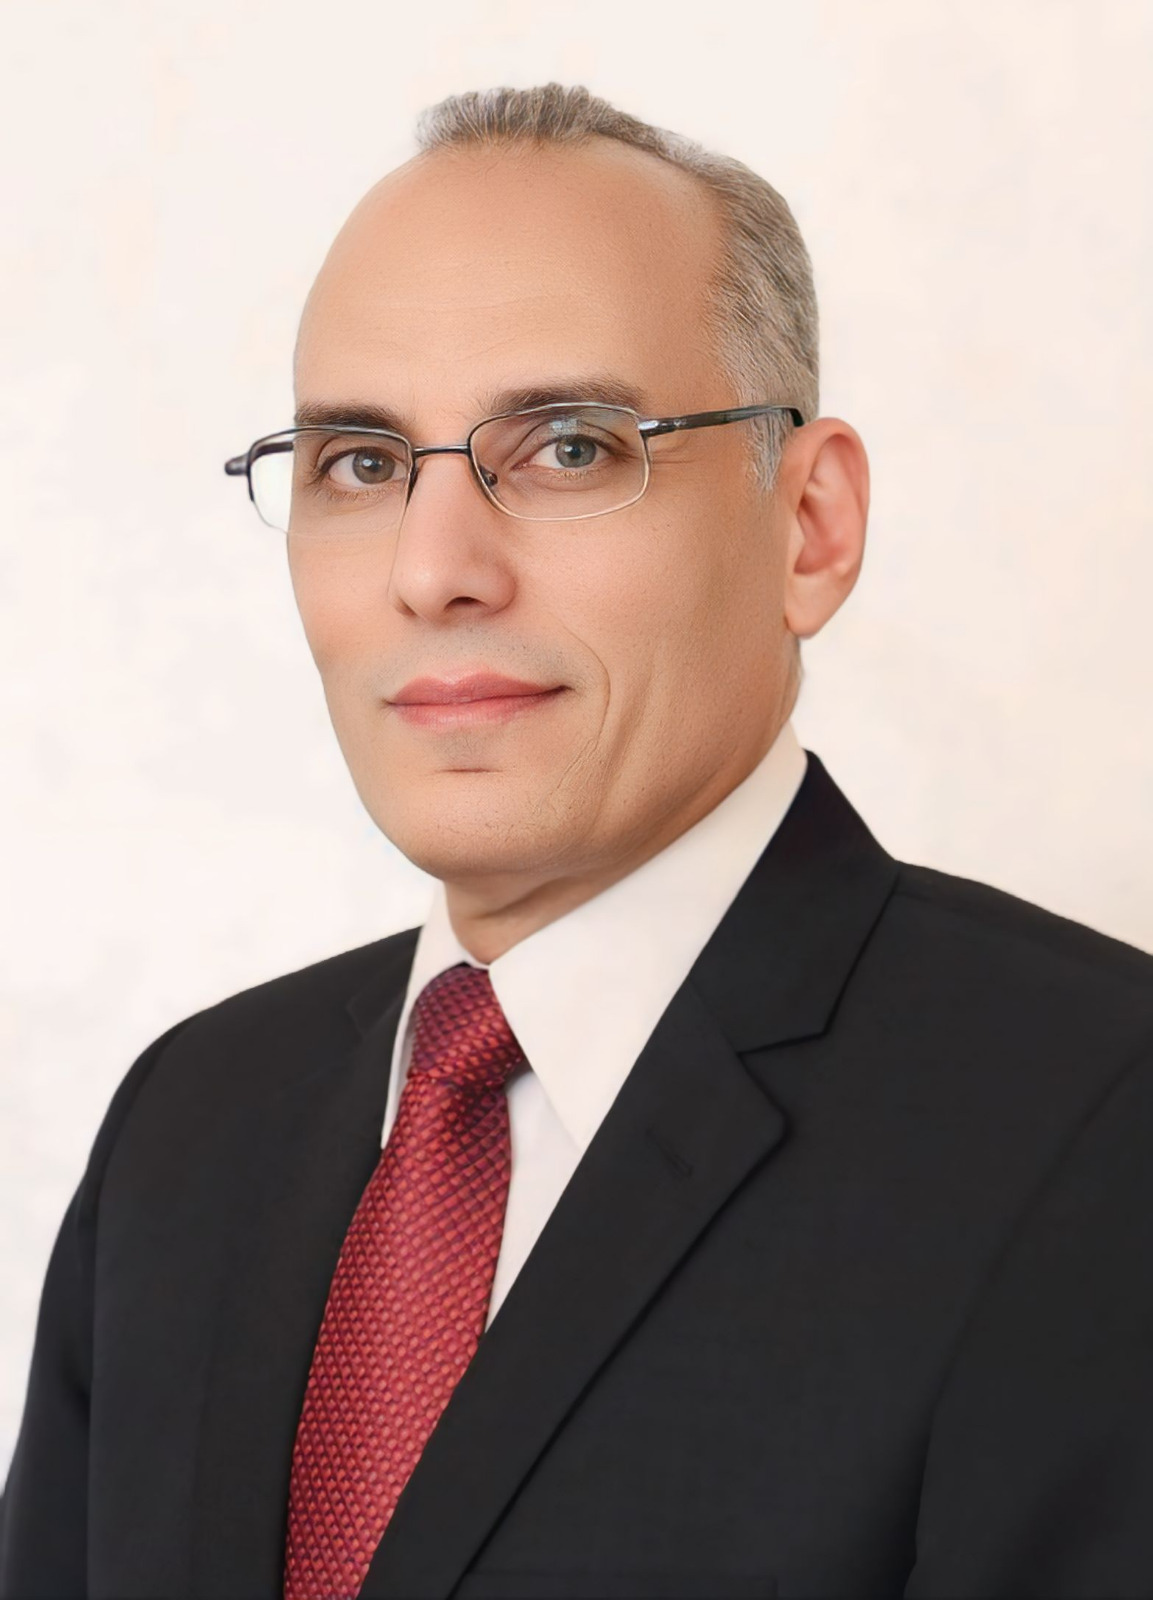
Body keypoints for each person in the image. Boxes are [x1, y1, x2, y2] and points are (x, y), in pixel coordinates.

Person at [2, 81, 1151, 1600]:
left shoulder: (1096, 1123)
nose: (432, 570)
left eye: (569, 449)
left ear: (808, 525)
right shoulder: (191, 1127)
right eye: (362, 465)